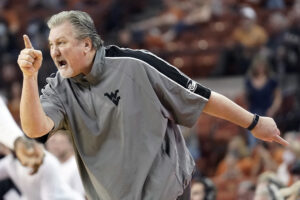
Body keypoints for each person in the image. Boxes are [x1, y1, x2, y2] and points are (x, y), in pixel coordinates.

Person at [17, 10, 288, 200]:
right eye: (52, 44)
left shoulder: (136, 64)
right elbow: (35, 129)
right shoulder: (58, 87)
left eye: (61, 42)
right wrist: (29, 78)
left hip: (165, 189)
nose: (54, 51)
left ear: (86, 45)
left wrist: (253, 122)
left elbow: (202, 97)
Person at [0, 137, 84, 200]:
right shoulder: (11, 162)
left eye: (56, 142)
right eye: (51, 142)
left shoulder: (47, 162)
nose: (53, 145)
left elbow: (50, 197)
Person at [46, 130, 85, 198]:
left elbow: (82, 195)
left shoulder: (76, 167)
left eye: (56, 134)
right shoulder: (51, 166)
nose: (52, 141)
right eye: (49, 138)